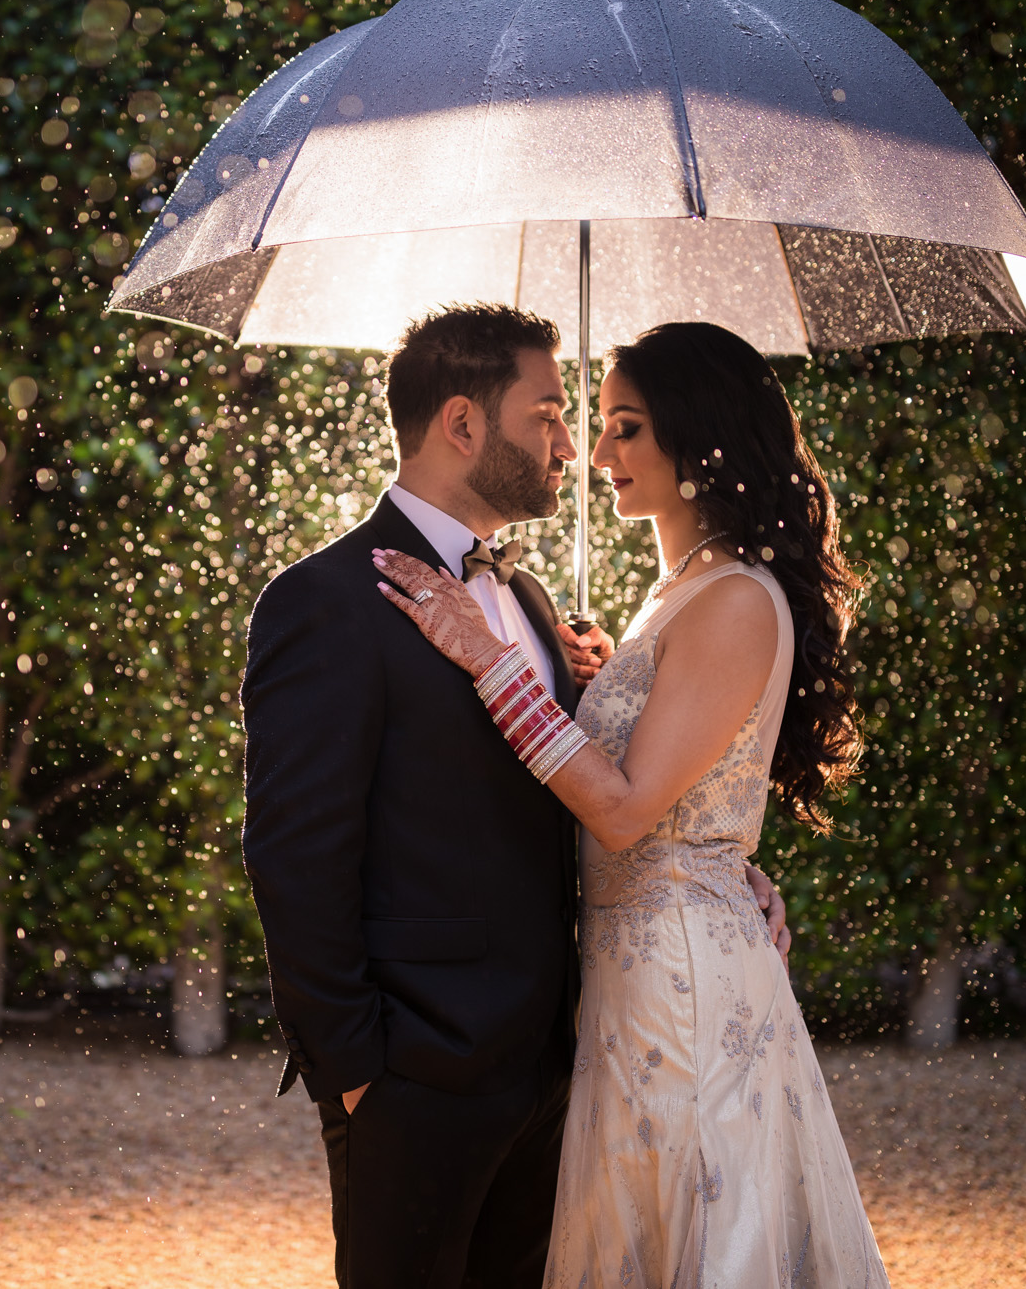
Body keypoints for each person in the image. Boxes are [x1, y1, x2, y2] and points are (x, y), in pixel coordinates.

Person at [241, 305, 788, 1289]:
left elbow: (595, 790)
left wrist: (713, 865)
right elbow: (295, 856)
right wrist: (360, 1075)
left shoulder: (529, 601)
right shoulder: (320, 601)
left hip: (562, 1066)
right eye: (545, 415)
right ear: (461, 424)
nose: (570, 446)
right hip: (417, 1080)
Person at [374, 321, 890, 1288]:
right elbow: (681, 775)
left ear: (700, 444)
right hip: (628, 986)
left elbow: (623, 812)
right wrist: (598, 688)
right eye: (598, 424)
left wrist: (492, 662)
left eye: (626, 428)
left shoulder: (736, 597)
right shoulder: (677, 593)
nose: (596, 452)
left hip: (685, 991)